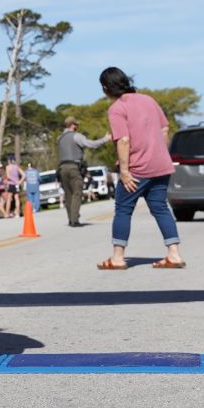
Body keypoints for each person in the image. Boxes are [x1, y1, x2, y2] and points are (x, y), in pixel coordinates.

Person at [96, 67, 184, 271]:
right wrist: (159, 154)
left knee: (123, 210)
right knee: (161, 208)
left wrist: (124, 171)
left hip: (137, 169)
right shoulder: (148, 100)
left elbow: (123, 140)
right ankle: (174, 254)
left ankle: (118, 258)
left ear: (106, 87)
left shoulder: (117, 108)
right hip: (161, 165)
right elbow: (164, 128)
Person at [57, 116, 110, 227]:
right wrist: (105, 139)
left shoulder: (59, 138)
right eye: (76, 124)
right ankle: (74, 220)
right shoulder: (76, 136)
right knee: (77, 193)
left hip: (62, 168)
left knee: (68, 194)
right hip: (74, 167)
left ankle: (70, 218)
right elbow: (91, 144)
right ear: (72, 125)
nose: (77, 126)